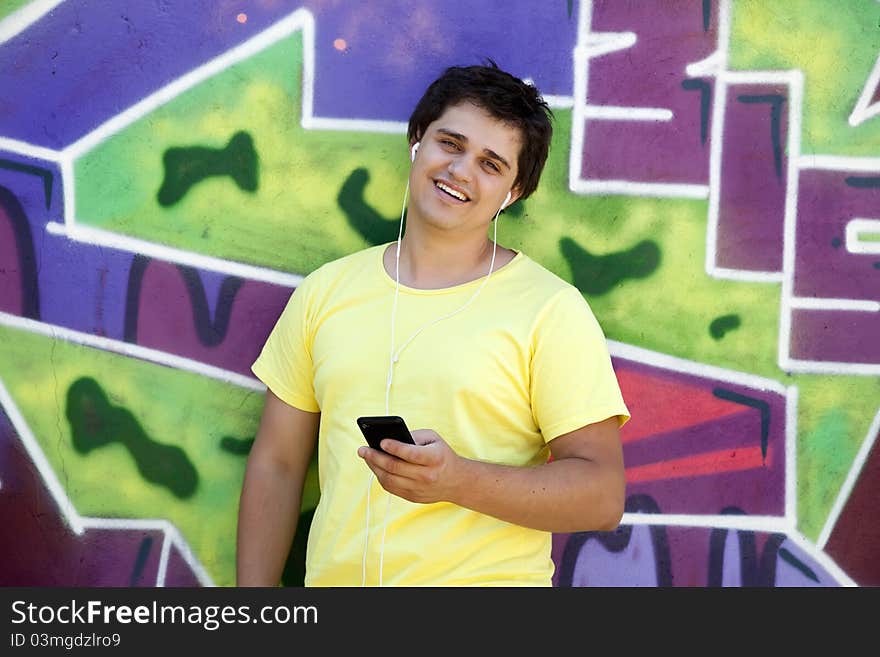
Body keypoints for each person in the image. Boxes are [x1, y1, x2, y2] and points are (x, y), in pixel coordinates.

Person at [236, 61, 630, 587]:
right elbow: (278, 464)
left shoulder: (549, 309)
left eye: (491, 164)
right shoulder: (325, 292)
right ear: (416, 141)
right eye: (450, 143)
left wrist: (459, 481)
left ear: (513, 193)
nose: (461, 171)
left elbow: (602, 496)